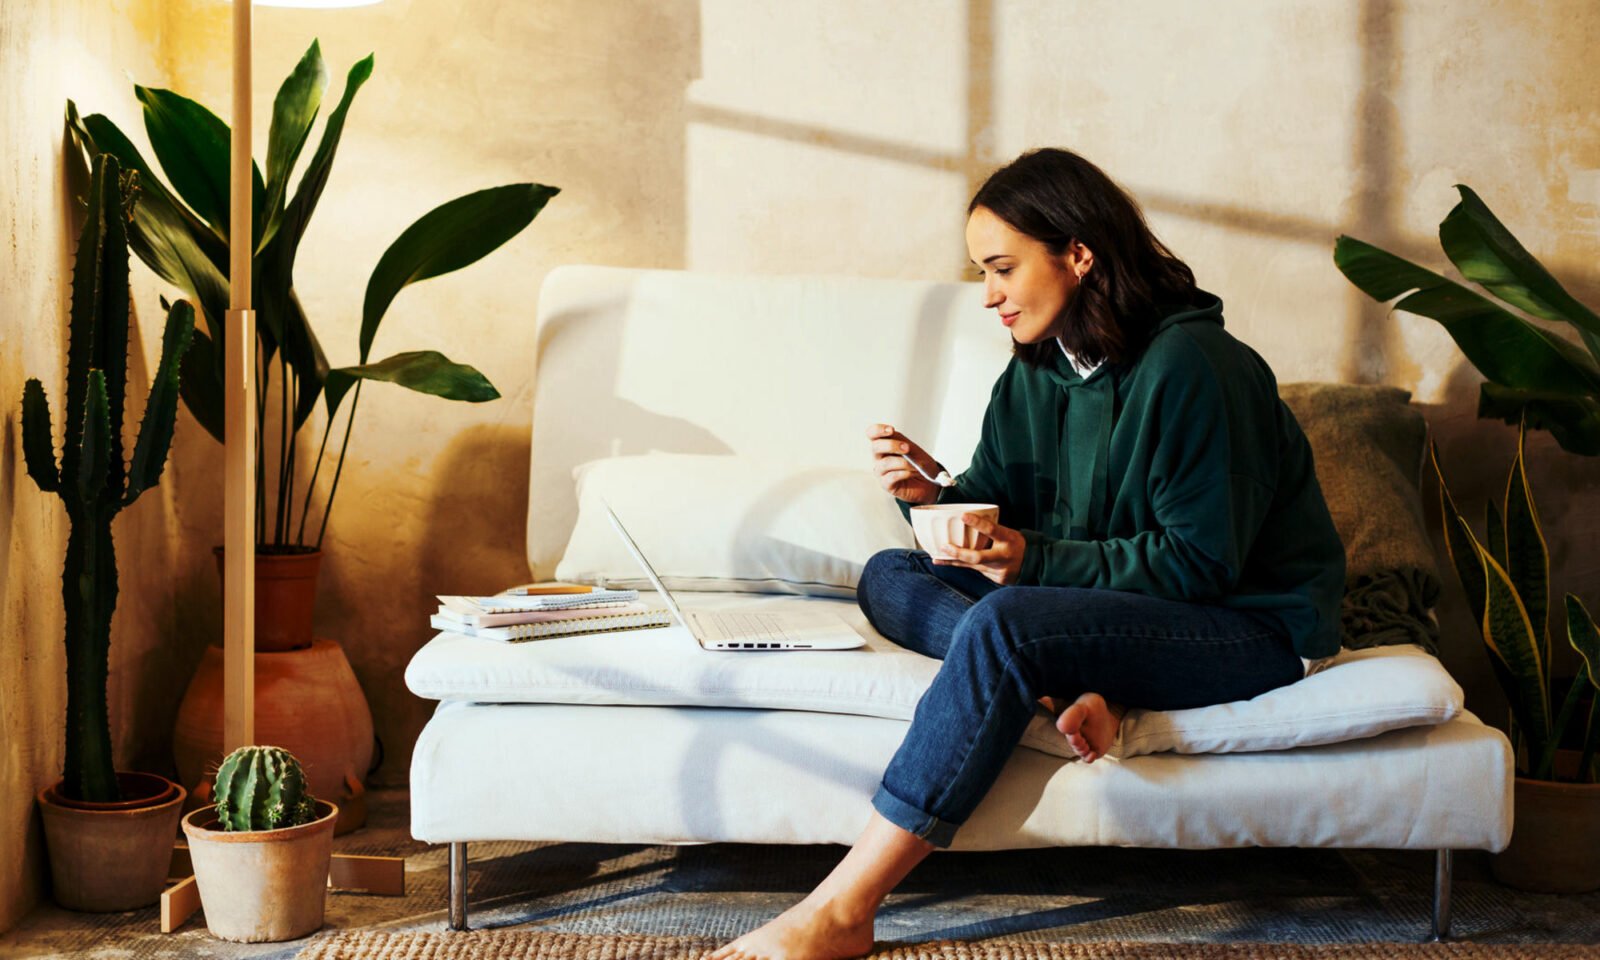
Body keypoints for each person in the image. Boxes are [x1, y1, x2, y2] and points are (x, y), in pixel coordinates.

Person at [705, 147, 1346, 960]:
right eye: (982, 271)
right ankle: (1069, 680)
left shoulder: (1197, 368)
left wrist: (1026, 562)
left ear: (1078, 254)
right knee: (889, 574)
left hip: (1247, 626)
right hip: (1111, 616)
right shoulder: (1038, 367)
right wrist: (931, 499)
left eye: (1002, 268)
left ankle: (845, 906)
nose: (989, 295)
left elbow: (1201, 565)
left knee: (1008, 625)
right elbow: (997, 504)